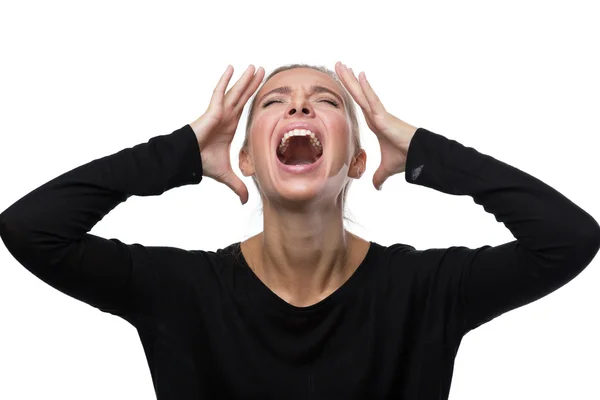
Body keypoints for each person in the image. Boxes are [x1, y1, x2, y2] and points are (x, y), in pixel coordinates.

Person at [0, 61, 598, 400]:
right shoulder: (181, 293)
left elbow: (568, 239)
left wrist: (423, 151)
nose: (299, 108)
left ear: (358, 160)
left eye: (326, 101)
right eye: (274, 102)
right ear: (248, 160)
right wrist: (178, 152)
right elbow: (30, 229)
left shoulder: (423, 290)